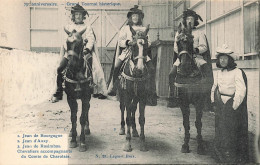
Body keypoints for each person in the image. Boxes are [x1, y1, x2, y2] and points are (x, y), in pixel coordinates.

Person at [51, 4, 107, 102]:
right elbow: (65, 40)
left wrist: (87, 49)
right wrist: (69, 50)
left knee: (95, 68)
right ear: (73, 16)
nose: (78, 16)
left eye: (80, 14)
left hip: (84, 52)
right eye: (76, 14)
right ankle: (59, 91)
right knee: (60, 68)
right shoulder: (69, 27)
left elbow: (91, 39)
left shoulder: (87, 27)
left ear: (83, 16)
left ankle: (95, 88)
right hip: (71, 52)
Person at [211, 44, 249, 163]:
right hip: (220, 104)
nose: (222, 60)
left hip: (231, 105)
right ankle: (221, 154)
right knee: (220, 130)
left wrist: (233, 106)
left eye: (225, 58)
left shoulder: (237, 72)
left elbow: (241, 91)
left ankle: (232, 156)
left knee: (231, 131)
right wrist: (213, 101)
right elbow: (214, 87)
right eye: (220, 58)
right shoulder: (219, 72)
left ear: (230, 59)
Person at [168, 9, 212, 107]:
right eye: (188, 19)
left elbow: (204, 47)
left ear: (195, 20)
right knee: (171, 74)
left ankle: (206, 98)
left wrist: (195, 50)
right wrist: (183, 52)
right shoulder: (179, 33)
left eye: (192, 19)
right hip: (182, 57)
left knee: (207, 71)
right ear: (185, 20)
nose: (190, 21)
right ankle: (172, 97)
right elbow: (175, 47)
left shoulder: (199, 32)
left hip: (196, 57)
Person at [107, 5, 153, 96]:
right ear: (130, 18)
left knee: (151, 68)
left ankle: (150, 91)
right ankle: (114, 87)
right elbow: (120, 41)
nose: (135, 18)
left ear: (140, 17)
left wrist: (144, 43)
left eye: (137, 16)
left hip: (141, 52)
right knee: (117, 66)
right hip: (128, 52)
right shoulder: (125, 29)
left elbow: (150, 42)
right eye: (133, 16)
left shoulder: (144, 29)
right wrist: (128, 42)